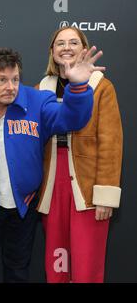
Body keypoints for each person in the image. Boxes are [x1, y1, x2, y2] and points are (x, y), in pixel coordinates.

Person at [0, 46, 104, 282]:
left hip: (24, 205)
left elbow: (71, 118)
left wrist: (78, 87)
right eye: (1, 80)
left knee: (18, 269)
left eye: (14, 79)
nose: (10, 87)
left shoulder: (38, 101)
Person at [36, 26, 123, 283]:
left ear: (84, 49)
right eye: (60, 43)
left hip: (87, 185)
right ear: (52, 52)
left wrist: (105, 194)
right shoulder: (41, 88)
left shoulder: (102, 87)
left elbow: (111, 143)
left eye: (74, 42)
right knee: (57, 260)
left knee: (86, 264)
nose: (66, 47)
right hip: (52, 182)